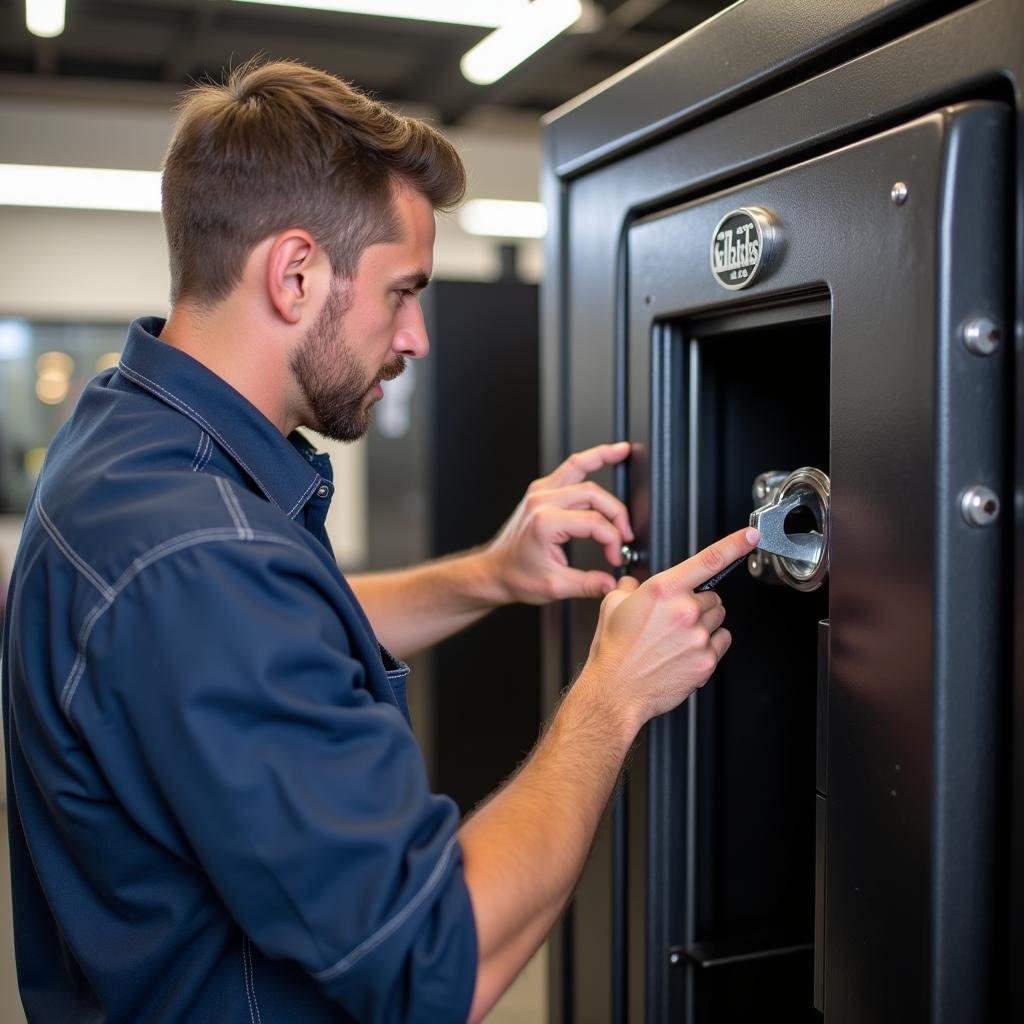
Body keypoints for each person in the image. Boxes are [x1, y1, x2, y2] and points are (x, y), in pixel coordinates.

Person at [1, 59, 758, 1023]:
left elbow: (270, 633)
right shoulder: (199, 558)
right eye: (403, 292)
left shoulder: (128, 439)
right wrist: (613, 693)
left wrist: (486, 576)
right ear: (296, 272)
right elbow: (433, 963)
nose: (418, 338)